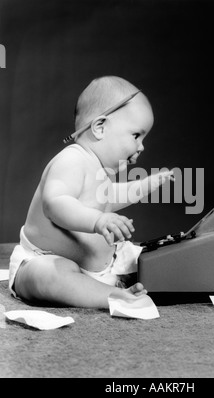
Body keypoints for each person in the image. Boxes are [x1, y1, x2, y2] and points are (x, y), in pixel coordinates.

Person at [9, 76, 173, 309]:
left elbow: (110, 198)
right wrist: (98, 220)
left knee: (150, 260)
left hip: (102, 266)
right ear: (99, 127)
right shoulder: (71, 160)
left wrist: (145, 185)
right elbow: (55, 204)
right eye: (136, 135)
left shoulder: (101, 171)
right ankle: (111, 296)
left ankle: (115, 283)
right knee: (49, 276)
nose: (141, 146)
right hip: (45, 258)